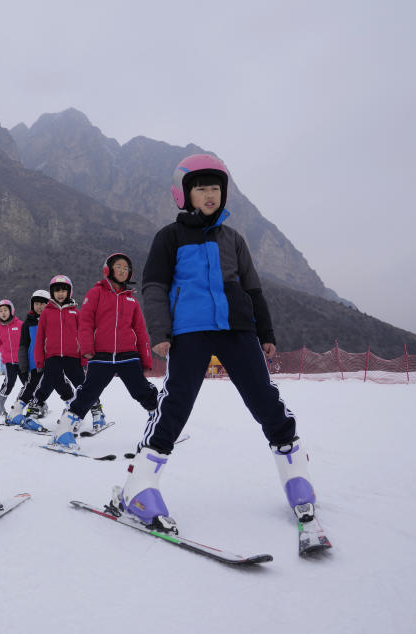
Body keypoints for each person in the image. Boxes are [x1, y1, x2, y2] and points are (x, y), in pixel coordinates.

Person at [112, 153, 321, 537]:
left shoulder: (234, 240)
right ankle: (139, 486)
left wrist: (266, 333)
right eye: (201, 188)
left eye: (215, 188)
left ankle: (296, 476)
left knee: (264, 397)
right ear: (184, 194)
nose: (209, 195)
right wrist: (160, 333)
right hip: (190, 330)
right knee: (175, 404)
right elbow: (155, 286)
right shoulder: (169, 238)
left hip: (238, 329)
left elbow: (253, 288)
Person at [51, 253, 159, 450]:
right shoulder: (96, 293)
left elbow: (141, 331)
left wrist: (146, 359)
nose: (123, 270)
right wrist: (87, 349)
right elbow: (85, 323)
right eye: (118, 266)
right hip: (101, 355)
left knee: (141, 390)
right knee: (89, 393)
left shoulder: (131, 300)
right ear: (108, 269)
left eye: (126, 268)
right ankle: (63, 431)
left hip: (128, 355)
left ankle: (162, 425)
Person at [20, 275, 92, 433]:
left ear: (69, 292)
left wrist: (84, 358)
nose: (60, 293)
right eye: (57, 290)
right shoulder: (46, 313)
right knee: (46, 384)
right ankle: (31, 414)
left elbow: (83, 336)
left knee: (82, 384)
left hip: (72, 356)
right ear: (52, 292)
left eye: (64, 290)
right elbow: (39, 339)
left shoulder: (76, 313)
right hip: (52, 356)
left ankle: (87, 414)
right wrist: (39, 360)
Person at [5, 290, 50, 424]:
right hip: (34, 362)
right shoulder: (27, 324)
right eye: (36, 304)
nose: (39, 307)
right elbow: (23, 345)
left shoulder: (51, 321)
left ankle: (71, 409)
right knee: (31, 386)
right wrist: (23, 364)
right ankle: (21, 410)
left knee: (59, 386)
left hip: (52, 361)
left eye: (42, 304)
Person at [0, 299, 25, 415]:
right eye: (0, 311)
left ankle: (24, 404)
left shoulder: (20, 325)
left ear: (11, 311)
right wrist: (5, 353)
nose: (3, 313)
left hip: (22, 361)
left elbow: (27, 340)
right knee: (9, 383)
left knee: (28, 384)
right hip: (9, 362)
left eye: (5, 310)